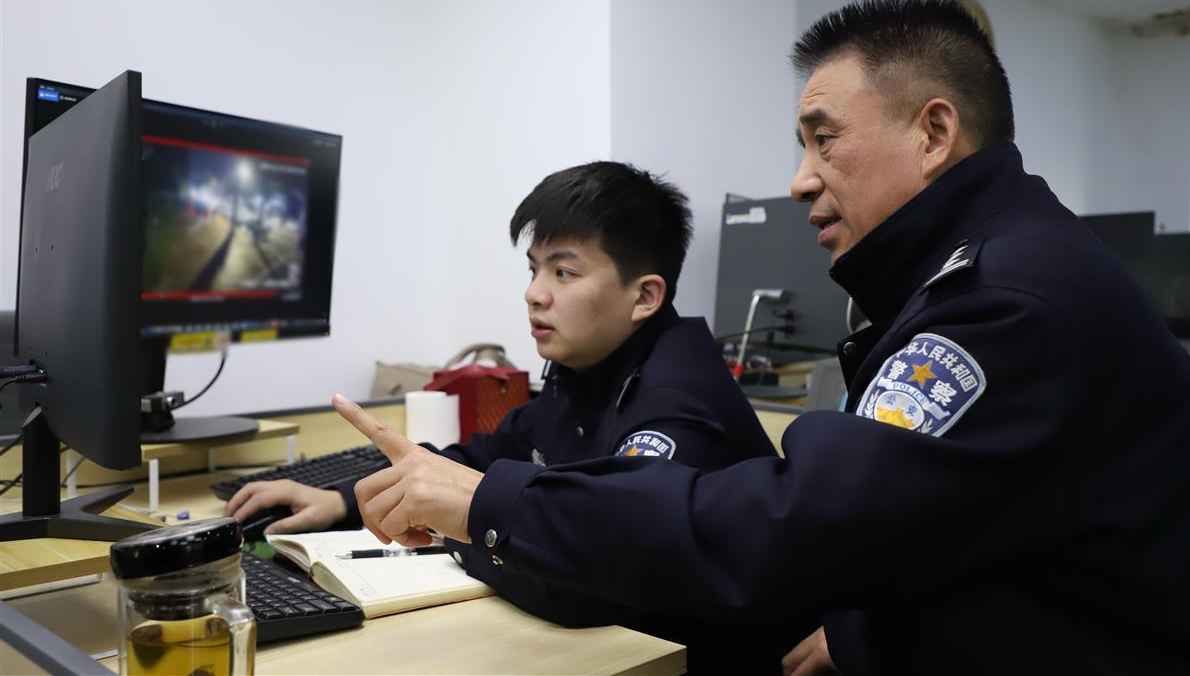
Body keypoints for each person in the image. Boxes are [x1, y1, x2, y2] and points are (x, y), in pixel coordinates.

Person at [336, 0, 1190, 675]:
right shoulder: (987, 273)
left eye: (825, 140)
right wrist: (868, 633)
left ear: (934, 133)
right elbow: (960, 530)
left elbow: (792, 527)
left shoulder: (1004, 302)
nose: (799, 179)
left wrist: (491, 504)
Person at [226, 161, 792, 670]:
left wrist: (461, 523)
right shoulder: (586, 367)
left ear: (644, 296)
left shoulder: (677, 402)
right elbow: (487, 456)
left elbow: (589, 583)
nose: (534, 294)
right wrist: (343, 499)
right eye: (533, 270)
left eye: (563, 273)